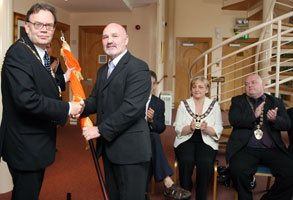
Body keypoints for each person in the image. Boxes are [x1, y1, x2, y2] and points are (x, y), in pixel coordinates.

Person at [0, 3, 83, 200]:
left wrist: (64, 77)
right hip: (25, 145)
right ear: (27, 27)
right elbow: (27, 100)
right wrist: (68, 107)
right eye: (38, 25)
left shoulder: (39, 53)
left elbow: (42, 84)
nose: (44, 29)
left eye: (49, 25)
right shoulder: (19, 53)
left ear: (54, 29)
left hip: (35, 143)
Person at [80, 23, 152, 200]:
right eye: (105, 37)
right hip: (109, 148)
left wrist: (100, 129)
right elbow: (96, 100)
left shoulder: (138, 67)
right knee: (114, 195)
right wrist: (80, 107)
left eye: (115, 36)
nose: (109, 41)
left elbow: (131, 109)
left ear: (126, 40)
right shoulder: (103, 70)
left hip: (131, 151)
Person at [226, 74, 293, 200]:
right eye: (246, 84)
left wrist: (275, 119)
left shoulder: (276, 102)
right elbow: (234, 120)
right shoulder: (238, 101)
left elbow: (287, 124)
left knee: (290, 171)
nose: (249, 85)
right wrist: (253, 116)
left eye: (253, 82)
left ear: (263, 85)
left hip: (272, 148)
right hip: (246, 148)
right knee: (237, 171)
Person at [173, 76, 223, 200]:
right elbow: (177, 127)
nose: (197, 89)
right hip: (186, 139)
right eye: (194, 87)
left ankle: (201, 196)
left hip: (207, 140)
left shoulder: (214, 105)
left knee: (205, 163)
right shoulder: (184, 104)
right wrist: (190, 128)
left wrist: (206, 129)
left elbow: (218, 129)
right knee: (186, 161)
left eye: (200, 87)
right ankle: (185, 193)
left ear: (206, 89)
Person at [145, 70, 191, 200]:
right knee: (153, 140)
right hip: (133, 137)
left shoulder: (158, 103)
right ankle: (168, 182)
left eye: (149, 83)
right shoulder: (133, 100)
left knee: (153, 139)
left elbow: (161, 128)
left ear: (154, 85)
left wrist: (151, 121)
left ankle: (142, 192)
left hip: (148, 140)